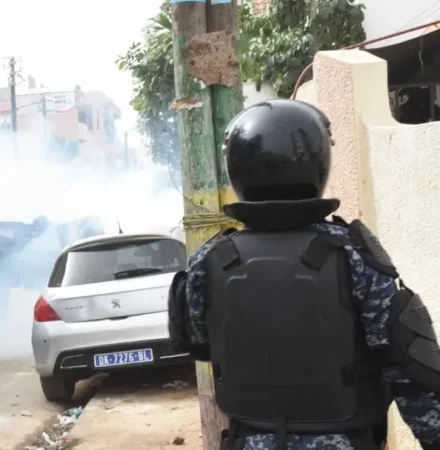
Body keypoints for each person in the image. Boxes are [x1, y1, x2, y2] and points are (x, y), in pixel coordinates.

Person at [168, 99, 440, 450]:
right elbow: (413, 372)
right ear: (318, 162)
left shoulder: (209, 260)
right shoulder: (353, 255)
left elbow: (199, 344)